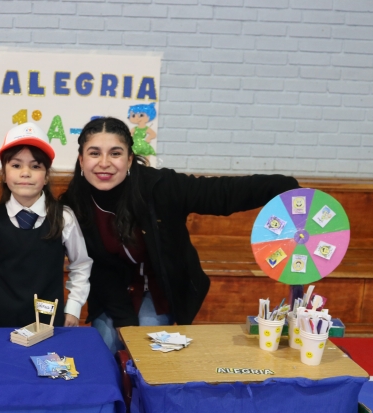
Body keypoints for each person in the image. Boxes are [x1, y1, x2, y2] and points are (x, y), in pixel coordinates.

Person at [60, 117, 299, 353]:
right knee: (106, 353)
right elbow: (100, 271)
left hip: (159, 290)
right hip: (111, 291)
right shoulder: (74, 205)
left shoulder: (160, 187)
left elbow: (221, 194)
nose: (104, 163)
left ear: (130, 159)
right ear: (81, 160)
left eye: (115, 153)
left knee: (147, 354)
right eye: (94, 153)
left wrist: (282, 186)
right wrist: (125, 323)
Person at [0, 123, 91, 328]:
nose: (25, 173)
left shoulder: (63, 217)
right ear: (4, 173)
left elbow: (81, 265)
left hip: (47, 321)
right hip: (0, 320)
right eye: (16, 165)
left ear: (46, 176)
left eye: (36, 166)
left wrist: (73, 308)